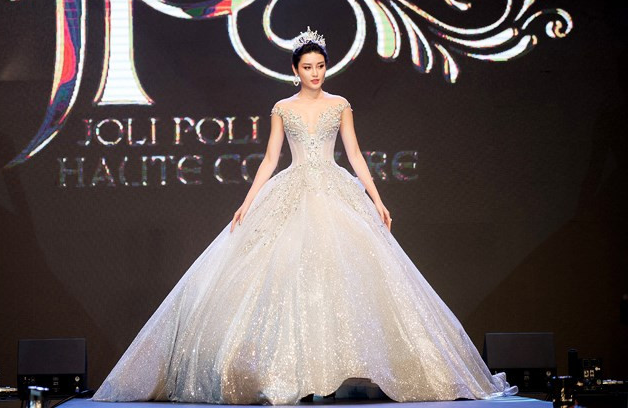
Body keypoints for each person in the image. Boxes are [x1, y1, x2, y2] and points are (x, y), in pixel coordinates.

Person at [92, 27, 518, 404]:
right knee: (287, 275)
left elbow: (354, 154)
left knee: (347, 275)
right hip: (293, 191)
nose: (315, 73)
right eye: (308, 67)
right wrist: (247, 201)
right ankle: (294, 374)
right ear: (295, 70)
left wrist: (377, 199)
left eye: (320, 66)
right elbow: (270, 158)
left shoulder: (340, 104)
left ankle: (338, 371)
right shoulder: (282, 107)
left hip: (334, 190)